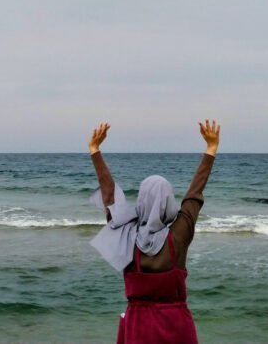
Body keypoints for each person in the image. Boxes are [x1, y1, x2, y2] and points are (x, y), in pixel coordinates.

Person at [88, 119, 221, 344]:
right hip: (176, 326)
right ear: (168, 201)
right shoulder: (179, 235)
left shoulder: (125, 235)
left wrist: (95, 151)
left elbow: (109, 196)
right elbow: (194, 195)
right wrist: (211, 150)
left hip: (137, 327)